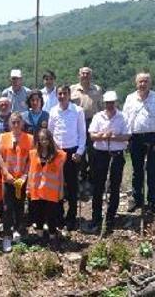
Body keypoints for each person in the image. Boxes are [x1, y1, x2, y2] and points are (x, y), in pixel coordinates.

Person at [84, 91, 129, 233]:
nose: (109, 105)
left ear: (115, 102)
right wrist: (103, 136)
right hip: (100, 154)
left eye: (112, 103)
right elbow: (92, 136)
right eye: (107, 103)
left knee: (115, 186)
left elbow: (127, 136)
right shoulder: (98, 116)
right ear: (104, 103)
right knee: (98, 186)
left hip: (116, 154)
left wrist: (113, 137)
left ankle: (110, 217)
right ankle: (96, 217)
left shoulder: (123, 117)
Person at [122, 72, 155, 212]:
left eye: (145, 81)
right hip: (134, 138)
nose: (143, 84)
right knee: (137, 171)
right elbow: (125, 119)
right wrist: (126, 140)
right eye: (140, 81)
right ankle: (137, 199)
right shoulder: (130, 98)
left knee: (152, 170)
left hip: (152, 137)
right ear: (136, 83)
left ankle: (152, 201)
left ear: (150, 83)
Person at [48, 85, 86, 231]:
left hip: (73, 152)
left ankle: (71, 217)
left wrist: (80, 152)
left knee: (72, 186)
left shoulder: (78, 111)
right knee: (57, 186)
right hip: (57, 153)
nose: (62, 96)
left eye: (64, 93)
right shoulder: (53, 111)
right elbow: (50, 134)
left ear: (69, 95)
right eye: (59, 94)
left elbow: (82, 133)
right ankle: (58, 216)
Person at [0, 112, 34, 252]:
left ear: (22, 123)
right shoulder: (3, 137)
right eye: (13, 122)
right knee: (7, 207)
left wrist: (25, 175)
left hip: (21, 179)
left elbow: (31, 158)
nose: (16, 124)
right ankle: (7, 235)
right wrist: (6, 173)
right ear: (9, 124)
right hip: (7, 179)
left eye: (18, 122)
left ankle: (18, 230)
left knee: (19, 205)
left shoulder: (29, 139)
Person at [28, 128, 66, 243]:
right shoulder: (34, 154)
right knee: (38, 213)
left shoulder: (58, 155)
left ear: (50, 139)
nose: (43, 142)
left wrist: (61, 190)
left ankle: (52, 236)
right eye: (41, 139)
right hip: (37, 190)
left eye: (45, 139)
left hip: (51, 191)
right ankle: (39, 236)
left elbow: (60, 174)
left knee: (51, 214)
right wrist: (28, 188)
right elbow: (30, 172)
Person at [70, 66, 104, 190]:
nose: (85, 75)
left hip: (93, 123)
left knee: (93, 152)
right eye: (83, 73)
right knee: (80, 151)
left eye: (87, 73)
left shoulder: (97, 89)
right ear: (79, 75)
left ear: (91, 75)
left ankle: (93, 179)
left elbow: (101, 108)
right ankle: (81, 178)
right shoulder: (72, 89)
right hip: (77, 124)